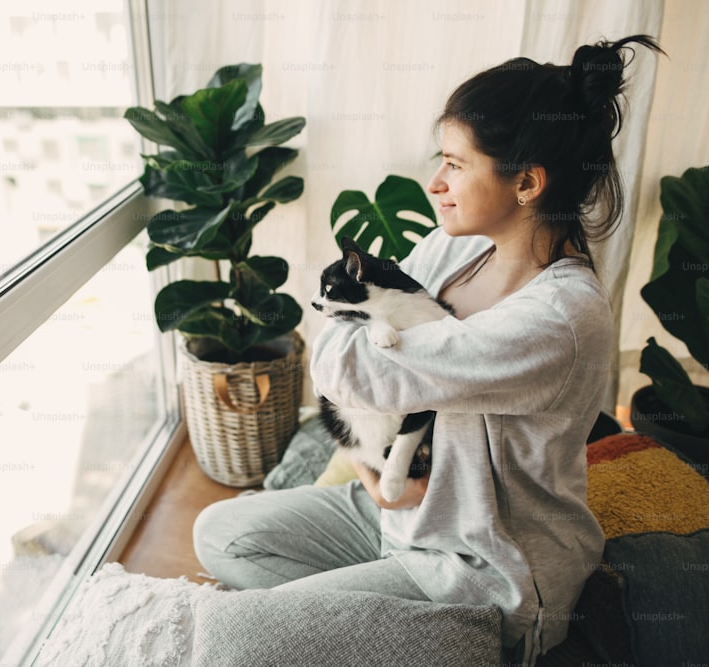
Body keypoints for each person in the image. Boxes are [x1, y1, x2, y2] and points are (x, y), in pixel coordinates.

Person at [193, 35, 664, 664]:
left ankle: (440, 640)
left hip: (481, 569)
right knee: (221, 534)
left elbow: (356, 368)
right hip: (399, 515)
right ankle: (364, 628)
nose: (436, 183)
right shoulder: (456, 249)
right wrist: (370, 473)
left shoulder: (561, 317)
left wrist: (364, 335)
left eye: (456, 164)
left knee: (239, 640)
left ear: (526, 182)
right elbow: (333, 362)